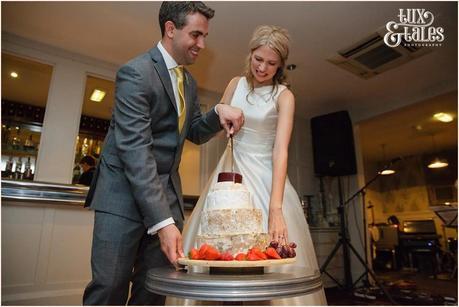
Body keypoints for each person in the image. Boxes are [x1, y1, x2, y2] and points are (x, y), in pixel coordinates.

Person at [82, 2, 244, 305]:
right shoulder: (136, 73)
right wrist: (164, 222)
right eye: (196, 35)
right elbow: (135, 151)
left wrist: (218, 112)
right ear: (170, 29)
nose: (202, 45)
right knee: (109, 288)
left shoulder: (189, 82)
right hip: (122, 199)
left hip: (166, 199)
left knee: (152, 292)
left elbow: (194, 130)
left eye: (205, 36)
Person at [176, 25, 327, 305]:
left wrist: (276, 209)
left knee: (266, 268)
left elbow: (280, 151)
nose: (262, 67)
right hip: (231, 171)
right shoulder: (236, 84)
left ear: (280, 65)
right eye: (258, 59)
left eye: (271, 63)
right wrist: (225, 120)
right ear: (251, 54)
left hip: (266, 177)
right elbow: (215, 122)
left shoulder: (284, 96)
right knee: (219, 252)